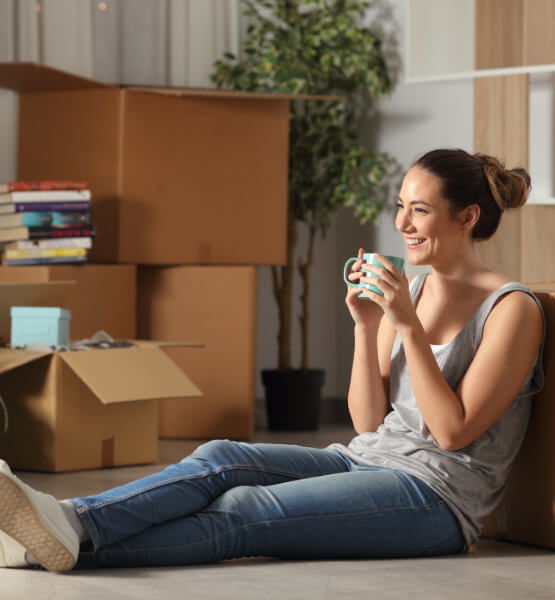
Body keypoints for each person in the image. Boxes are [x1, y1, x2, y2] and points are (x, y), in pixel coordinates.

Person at [0, 148, 545, 572]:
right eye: (400, 205)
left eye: (420, 210)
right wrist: (366, 326)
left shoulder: (511, 309)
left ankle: (53, 546)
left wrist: (404, 323)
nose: (402, 223)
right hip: (369, 458)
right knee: (222, 457)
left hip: (436, 501)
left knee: (247, 510)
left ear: (467, 216)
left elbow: (450, 433)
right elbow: (367, 423)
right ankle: (68, 521)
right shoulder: (416, 290)